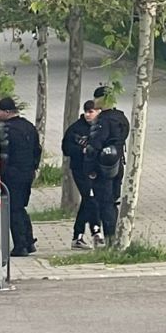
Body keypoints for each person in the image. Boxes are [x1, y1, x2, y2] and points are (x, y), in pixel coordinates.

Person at [0, 97, 42, 257]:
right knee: (20, 207)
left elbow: (2, 154)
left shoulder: (5, 129)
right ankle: (29, 241)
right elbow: (37, 149)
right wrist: (34, 167)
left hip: (11, 174)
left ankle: (20, 245)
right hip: (27, 172)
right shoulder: (28, 126)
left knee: (13, 209)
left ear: (7, 112)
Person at [88, 85, 130, 246]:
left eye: (96, 98)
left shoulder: (103, 121)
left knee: (105, 204)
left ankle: (110, 239)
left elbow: (95, 145)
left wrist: (90, 169)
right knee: (113, 201)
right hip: (118, 163)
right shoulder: (121, 118)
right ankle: (117, 236)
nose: (93, 102)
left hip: (102, 167)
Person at [61, 100, 101, 249]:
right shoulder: (76, 129)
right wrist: (82, 150)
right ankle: (96, 230)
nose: (88, 114)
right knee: (90, 198)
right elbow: (66, 148)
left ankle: (77, 236)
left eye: (91, 111)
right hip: (80, 169)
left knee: (89, 199)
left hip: (97, 169)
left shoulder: (101, 127)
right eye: (86, 111)